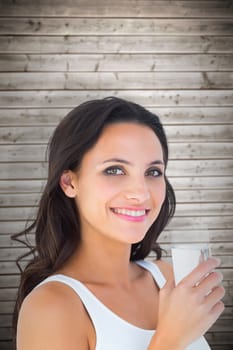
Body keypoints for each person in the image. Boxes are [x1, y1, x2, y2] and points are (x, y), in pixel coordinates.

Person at [13, 97, 225, 350]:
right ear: (70, 183)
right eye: (114, 170)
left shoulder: (169, 279)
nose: (141, 193)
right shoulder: (52, 307)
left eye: (153, 172)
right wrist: (170, 339)